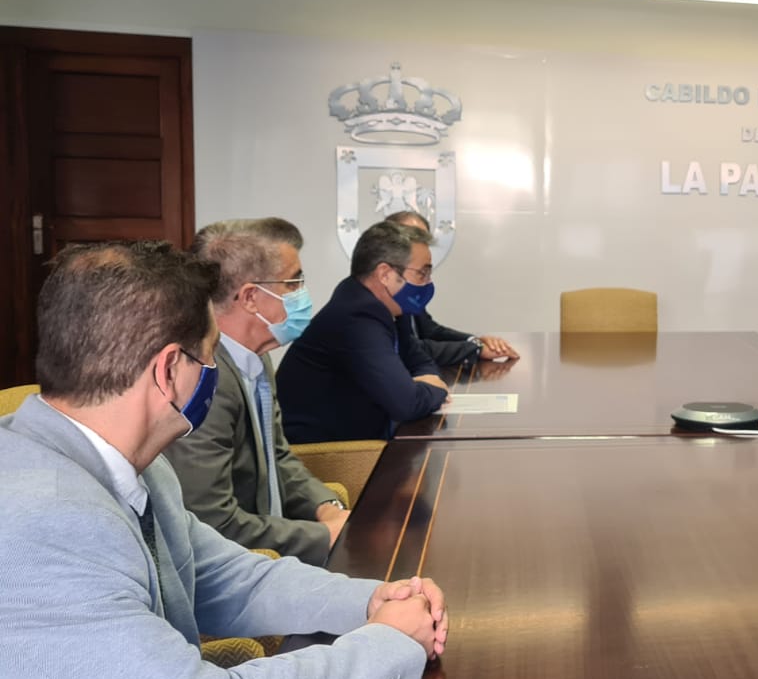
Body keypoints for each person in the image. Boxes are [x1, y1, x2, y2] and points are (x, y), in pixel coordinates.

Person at [0, 241, 447, 679]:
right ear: (167, 370)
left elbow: (223, 577)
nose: (216, 374)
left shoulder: (126, 462)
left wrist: (369, 602)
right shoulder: (37, 520)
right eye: (208, 358)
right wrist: (389, 647)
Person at [162, 218, 349, 563]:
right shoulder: (203, 379)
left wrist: (327, 508)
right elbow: (213, 522)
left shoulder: (255, 359)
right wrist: (321, 536)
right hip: (232, 571)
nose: (302, 293)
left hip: (274, 553)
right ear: (250, 297)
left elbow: (277, 456)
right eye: (293, 282)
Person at [276, 221, 450, 441]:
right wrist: (436, 389)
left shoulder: (390, 308)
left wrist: (427, 380)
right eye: (422, 274)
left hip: (368, 435)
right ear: (385, 274)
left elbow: (420, 361)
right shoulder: (356, 316)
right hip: (329, 453)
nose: (428, 282)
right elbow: (407, 403)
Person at [384, 211, 518, 367]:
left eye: (423, 241)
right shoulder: (381, 293)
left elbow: (431, 331)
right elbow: (409, 349)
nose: (418, 248)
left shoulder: (411, 288)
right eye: (412, 240)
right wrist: (475, 349)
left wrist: (476, 341)